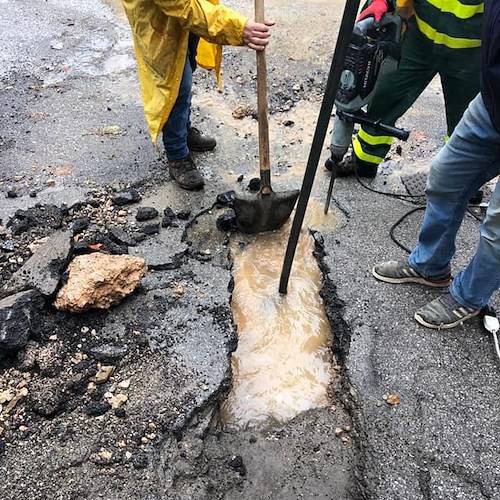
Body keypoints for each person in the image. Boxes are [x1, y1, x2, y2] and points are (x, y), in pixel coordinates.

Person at [371, 0, 499, 329]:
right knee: (445, 178)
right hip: (492, 102)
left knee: (497, 228)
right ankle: (430, 266)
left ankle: (468, 297)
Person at [122, 0, 274, 190]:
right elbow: (182, 5)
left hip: (190, 8)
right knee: (175, 84)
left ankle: (183, 131)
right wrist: (237, 28)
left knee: (187, 63)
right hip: (157, 18)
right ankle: (177, 154)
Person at [325, 0, 484, 178]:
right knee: (385, 95)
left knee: (465, 120)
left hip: (471, 54)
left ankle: (462, 179)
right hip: (419, 38)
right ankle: (364, 161)